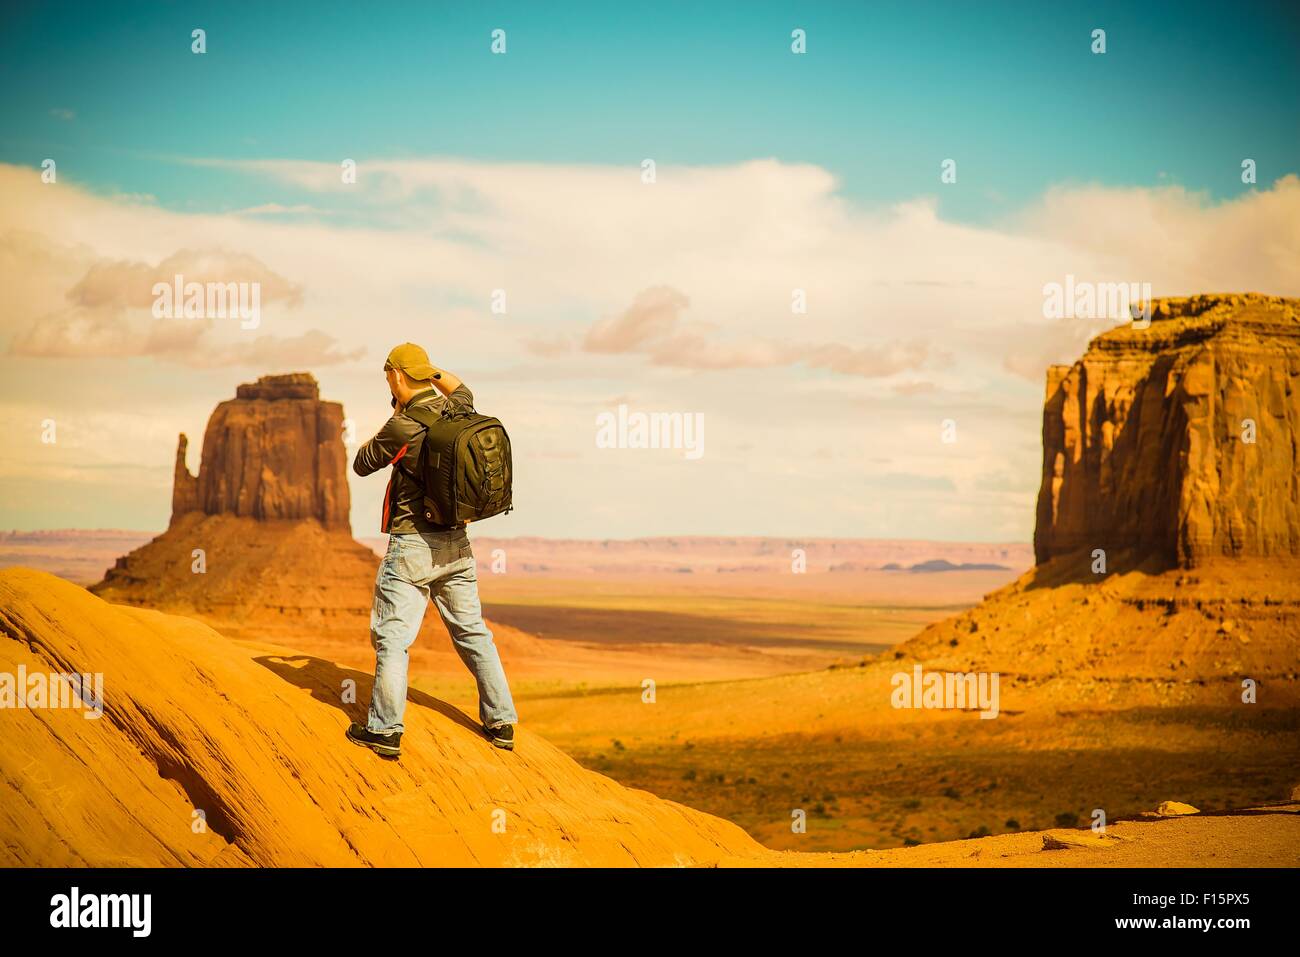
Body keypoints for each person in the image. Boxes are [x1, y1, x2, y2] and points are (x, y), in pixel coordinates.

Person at [344, 342, 518, 759]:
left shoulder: (404, 424)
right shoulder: (456, 409)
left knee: (392, 639)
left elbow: (363, 462)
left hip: (412, 546)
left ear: (396, 376)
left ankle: (384, 730)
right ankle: (502, 722)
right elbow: (461, 388)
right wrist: (428, 372)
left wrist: (398, 415)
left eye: (390, 375)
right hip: (456, 544)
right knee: (474, 633)